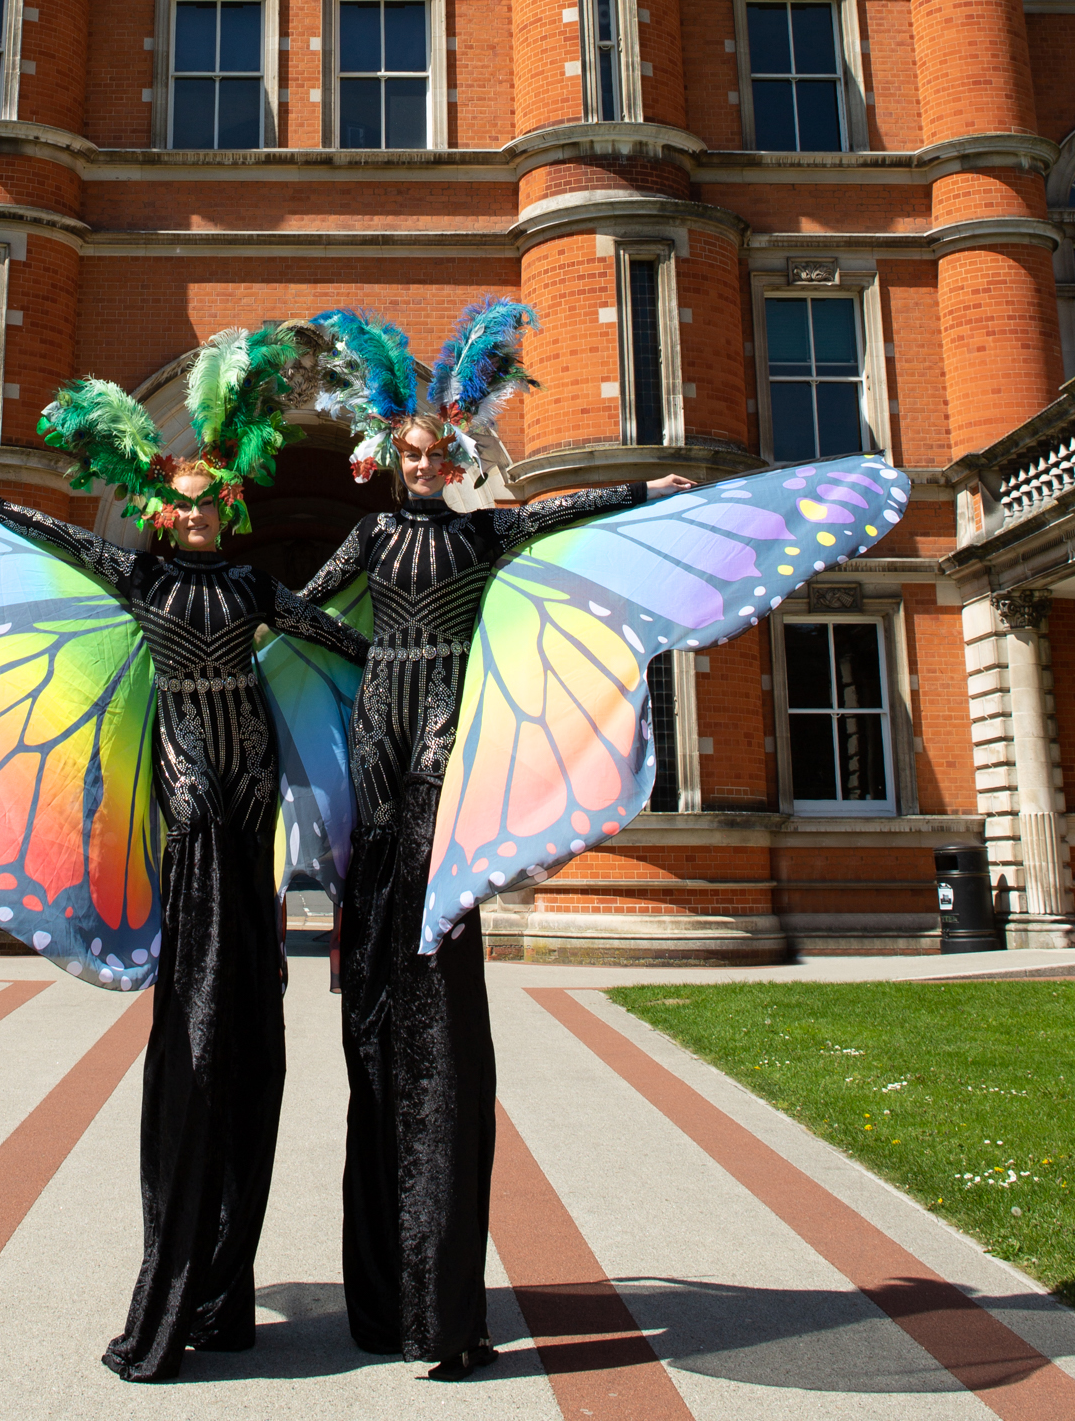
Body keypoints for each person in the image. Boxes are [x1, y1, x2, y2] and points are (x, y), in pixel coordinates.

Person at [302, 302, 691, 1380]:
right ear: (389, 456)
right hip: (381, 714)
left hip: (448, 720)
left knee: (434, 865)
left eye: (441, 453)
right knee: (381, 859)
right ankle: (383, 940)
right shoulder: (374, 534)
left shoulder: (483, 530)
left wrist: (643, 492)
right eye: (413, 453)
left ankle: (431, 926)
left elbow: (562, 519)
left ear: (459, 454)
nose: (425, 466)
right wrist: (257, 618)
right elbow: (315, 605)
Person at [0, 327, 367, 1383]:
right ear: (161, 508)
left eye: (208, 501)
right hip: (191, 806)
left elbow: (338, 638)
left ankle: (225, 1282)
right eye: (181, 502)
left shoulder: (246, 591)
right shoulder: (140, 580)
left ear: (226, 506)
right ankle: (180, 1284)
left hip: (253, 811)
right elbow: (62, 545)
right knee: (198, 1016)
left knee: (250, 1002)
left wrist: (432, 646)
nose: (195, 514)